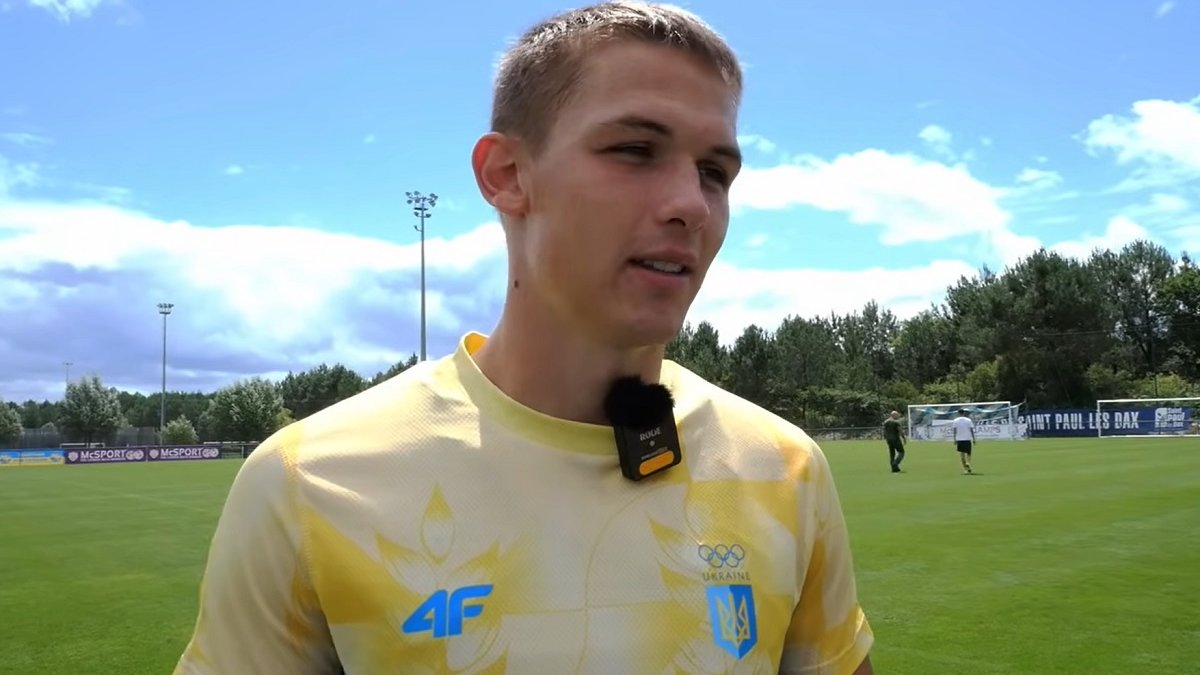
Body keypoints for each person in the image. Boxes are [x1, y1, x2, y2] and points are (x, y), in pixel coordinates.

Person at [173, 2, 874, 673]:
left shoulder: (785, 468)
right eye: (636, 150)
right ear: (507, 175)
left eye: (714, 173)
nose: (692, 204)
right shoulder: (306, 481)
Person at [952, 408, 975, 474]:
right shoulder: (968, 420)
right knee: (968, 453)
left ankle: (965, 469)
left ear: (958, 413)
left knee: (962, 454)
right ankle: (968, 463)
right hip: (967, 438)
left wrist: (954, 439)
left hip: (959, 439)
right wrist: (973, 439)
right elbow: (971, 430)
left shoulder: (955, 420)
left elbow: (955, 431)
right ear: (963, 413)